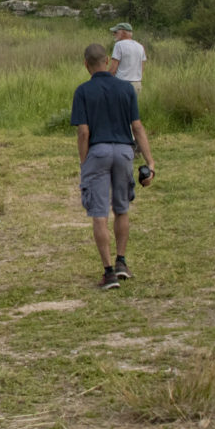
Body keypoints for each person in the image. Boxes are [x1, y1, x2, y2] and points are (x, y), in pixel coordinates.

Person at [71, 41, 155, 291]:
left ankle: (108, 274)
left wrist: (84, 162)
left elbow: (83, 132)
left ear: (85, 64)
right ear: (107, 61)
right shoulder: (126, 89)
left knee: (99, 213)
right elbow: (137, 127)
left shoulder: (83, 91)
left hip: (98, 151)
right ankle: (121, 262)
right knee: (121, 208)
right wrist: (150, 161)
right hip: (124, 151)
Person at [107, 22, 147, 93]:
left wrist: (104, 79)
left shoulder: (119, 45)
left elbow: (113, 69)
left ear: (123, 33)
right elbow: (142, 68)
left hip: (122, 85)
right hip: (137, 84)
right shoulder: (140, 46)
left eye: (116, 32)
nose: (114, 34)